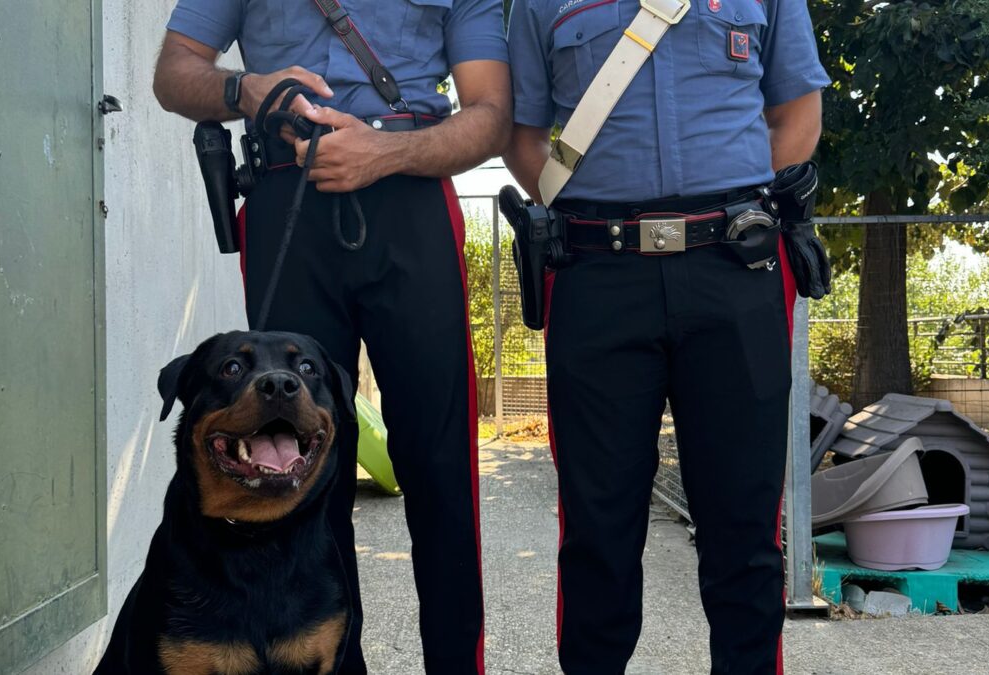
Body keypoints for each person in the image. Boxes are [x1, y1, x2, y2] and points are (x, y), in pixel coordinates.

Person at [152, 1, 511, 672]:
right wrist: (243, 89)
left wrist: (387, 152)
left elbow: (490, 115)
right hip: (288, 194)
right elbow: (174, 73)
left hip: (413, 198)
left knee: (441, 471)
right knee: (294, 465)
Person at [503, 0, 829, 672]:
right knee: (598, 533)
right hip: (597, 277)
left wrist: (727, 198)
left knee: (745, 533)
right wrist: (587, 202)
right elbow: (523, 136)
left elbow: (798, 116)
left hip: (732, 272)